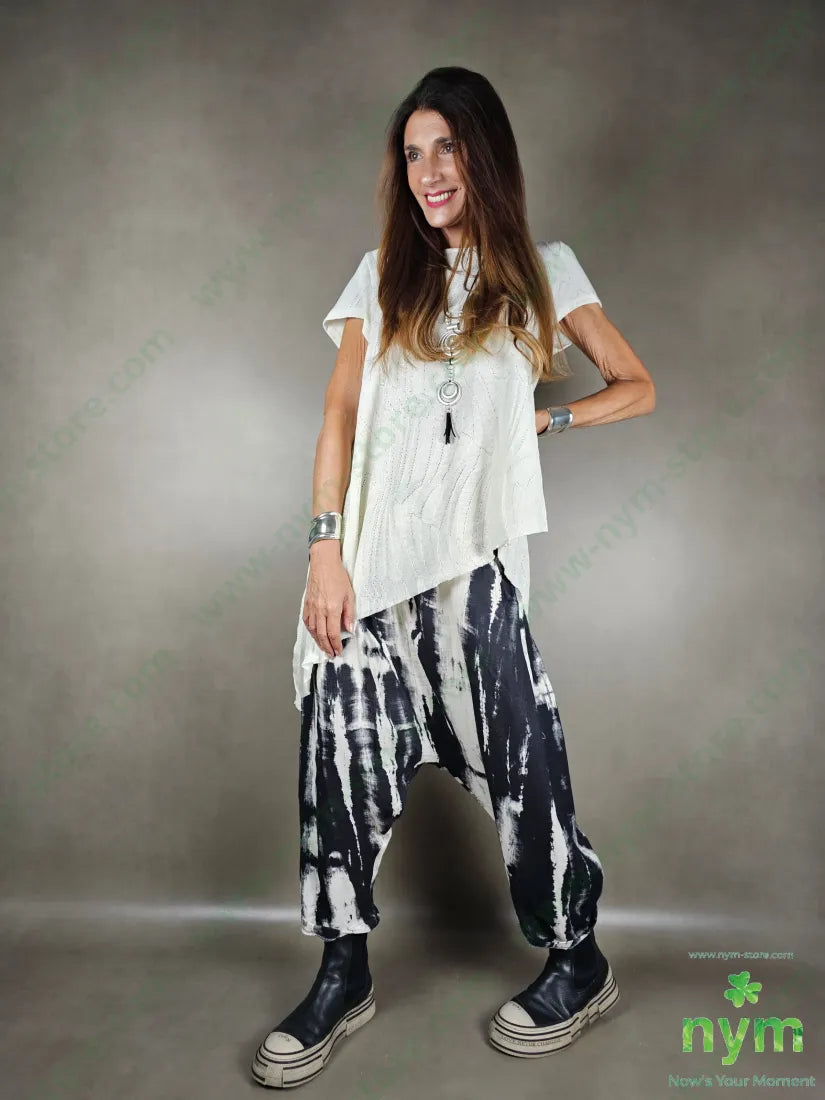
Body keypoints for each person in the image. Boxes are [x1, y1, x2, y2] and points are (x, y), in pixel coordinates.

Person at [251, 65, 655, 1089]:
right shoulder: (378, 277)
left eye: (447, 147)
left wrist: (541, 420)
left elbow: (636, 386)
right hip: (366, 572)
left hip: (473, 571)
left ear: (485, 153)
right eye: (412, 152)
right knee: (337, 768)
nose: (428, 171)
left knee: (525, 766)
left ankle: (577, 960)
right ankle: (342, 973)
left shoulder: (543, 273)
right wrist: (324, 547)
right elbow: (339, 415)